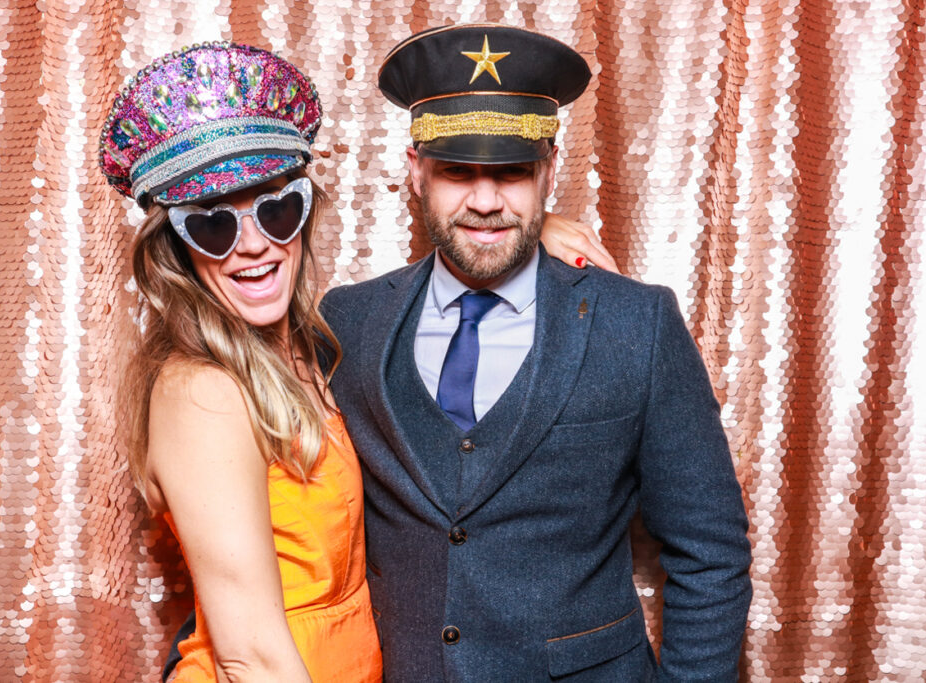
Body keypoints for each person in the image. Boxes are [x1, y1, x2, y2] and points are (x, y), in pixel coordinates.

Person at [98, 42, 613, 682]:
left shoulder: (323, 341)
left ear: (304, 213)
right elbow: (248, 654)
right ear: (176, 246)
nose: (253, 245)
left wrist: (529, 230)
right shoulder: (202, 390)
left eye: (275, 209)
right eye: (212, 226)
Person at [318, 24, 753, 681]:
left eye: (512, 172)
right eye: (458, 170)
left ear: (549, 169)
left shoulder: (637, 324)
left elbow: (711, 550)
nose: (486, 201)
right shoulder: (346, 322)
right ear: (415, 171)